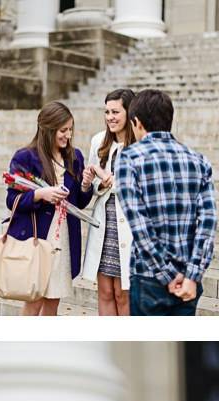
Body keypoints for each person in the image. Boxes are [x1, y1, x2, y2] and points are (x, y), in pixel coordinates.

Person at [115, 88, 216, 316]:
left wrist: (168, 276)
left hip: (149, 276)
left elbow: (140, 226)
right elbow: (208, 223)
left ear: (137, 122)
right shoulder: (198, 160)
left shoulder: (129, 158)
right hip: (188, 280)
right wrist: (192, 275)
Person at [6, 102, 94, 317]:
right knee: (34, 301)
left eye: (71, 129)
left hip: (63, 237)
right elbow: (12, 200)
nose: (68, 135)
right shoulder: (25, 157)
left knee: (53, 302)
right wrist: (40, 195)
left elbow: (80, 203)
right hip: (37, 238)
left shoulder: (75, 157)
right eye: (63, 130)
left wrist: (85, 185)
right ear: (47, 129)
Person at [81, 87, 135, 316]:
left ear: (129, 113)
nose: (110, 117)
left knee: (123, 293)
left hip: (129, 223)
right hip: (104, 220)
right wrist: (94, 183)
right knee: (104, 290)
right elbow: (94, 186)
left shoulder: (139, 145)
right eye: (107, 112)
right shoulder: (98, 141)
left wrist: (109, 180)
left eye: (115, 112)